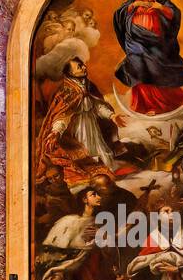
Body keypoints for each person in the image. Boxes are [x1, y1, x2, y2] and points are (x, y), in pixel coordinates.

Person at [36, 56, 120, 189]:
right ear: (70, 73)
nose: (84, 67)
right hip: (76, 130)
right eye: (79, 67)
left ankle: (102, 179)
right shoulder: (66, 91)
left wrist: (112, 116)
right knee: (83, 158)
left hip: (92, 126)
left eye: (82, 65)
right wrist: (56, 131)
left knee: (102, 156)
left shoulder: (88, 85)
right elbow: (61, 116)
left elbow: (97, 106)